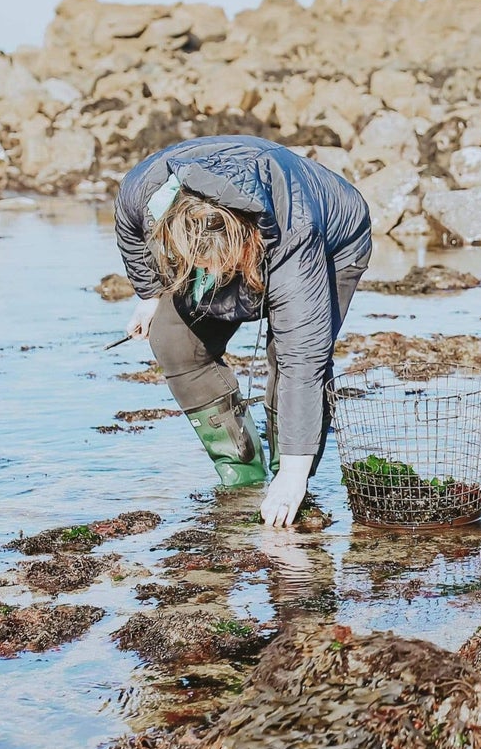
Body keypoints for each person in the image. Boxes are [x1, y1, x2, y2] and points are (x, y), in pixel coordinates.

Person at [113, 135, 372, 527]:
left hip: (329, 240)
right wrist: (149, 294)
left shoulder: (295, 232)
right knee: (173, 340)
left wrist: (293, 475)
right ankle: (244, 477)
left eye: (218, 265)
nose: (212, 275)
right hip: (226, 234)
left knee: (288, 359)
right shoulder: (146, 193)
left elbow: (303, 359)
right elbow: (128, 228)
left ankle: (290, 475)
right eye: (198, 263)